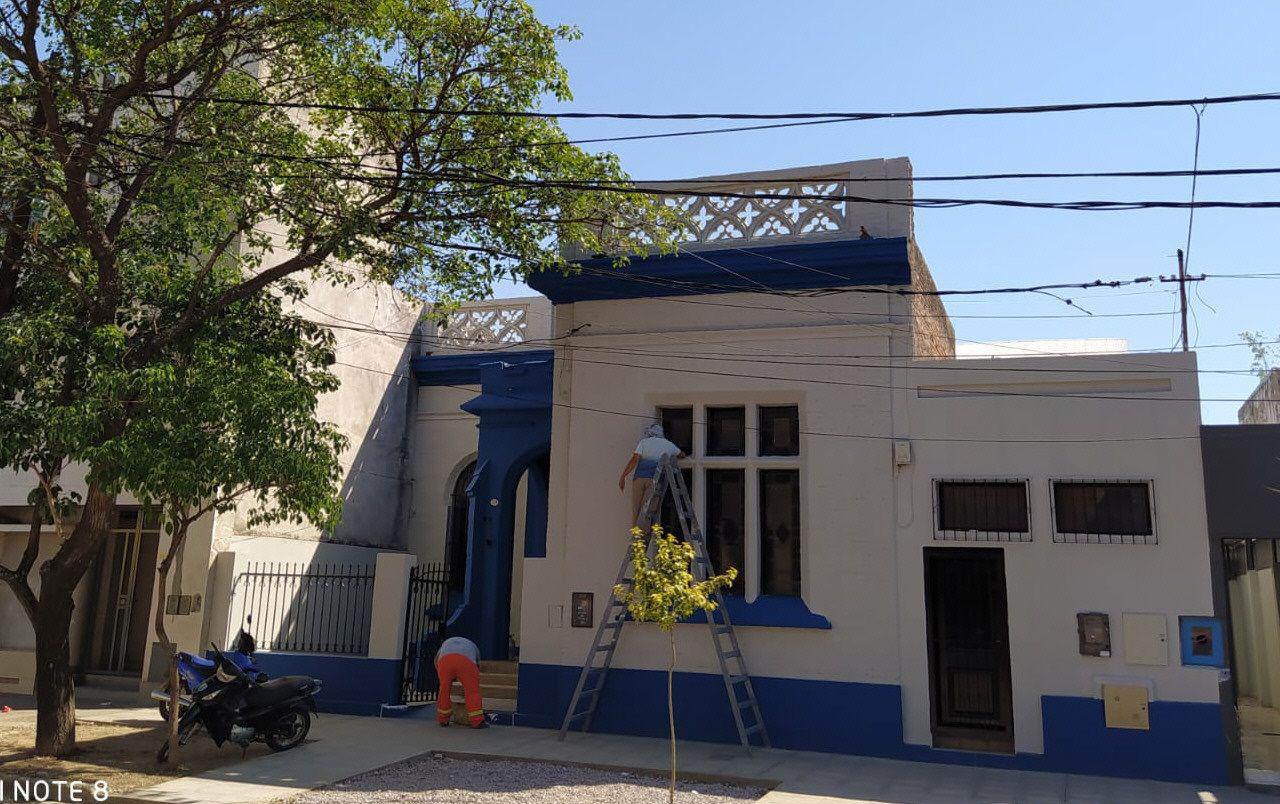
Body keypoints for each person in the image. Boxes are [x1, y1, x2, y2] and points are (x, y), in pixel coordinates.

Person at [618, 423, 684, 522]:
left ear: (650, 433)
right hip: (654, 480)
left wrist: (623, 476)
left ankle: (636, 534)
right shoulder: (668, 445)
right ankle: (645, 532)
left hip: (639, 479)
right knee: (648, 509)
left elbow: (634, 459)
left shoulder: (644, 442)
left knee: (636, 508)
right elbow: (681, 454)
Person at [435, 635, 486, 728]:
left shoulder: (446, 643)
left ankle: (443, 719)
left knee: (444, 690)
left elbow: (436, 660)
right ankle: (477, 721)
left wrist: (443, 676)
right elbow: (478, 665)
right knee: (472, 691)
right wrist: (469, 680)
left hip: (445, 661)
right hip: (466, 662)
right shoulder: (473, 646)